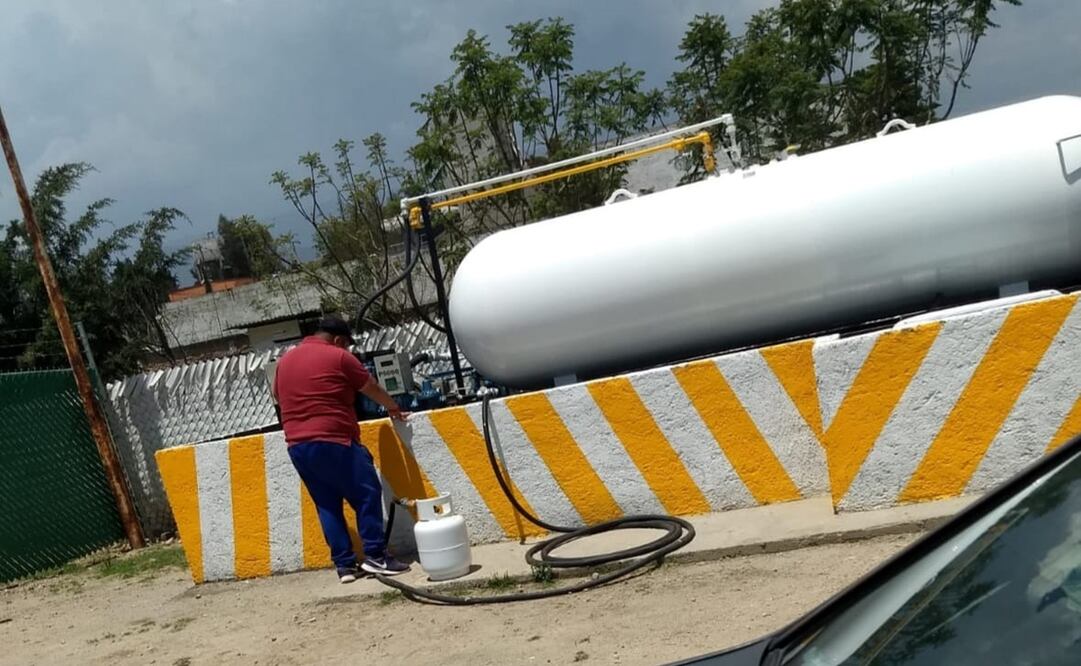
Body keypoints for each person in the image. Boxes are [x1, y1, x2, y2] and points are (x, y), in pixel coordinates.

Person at [272, 315, 411, 583]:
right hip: (335, 439)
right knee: (367, 494)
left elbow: (278, 396)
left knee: (327, 504)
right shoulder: (339, 357)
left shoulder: (285, 361)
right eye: (346, 345)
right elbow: (370, 387)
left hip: (298, 446)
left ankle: (345, 566)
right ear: (338, 340)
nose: (348, 351)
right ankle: (377, 557)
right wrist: (393, 407)